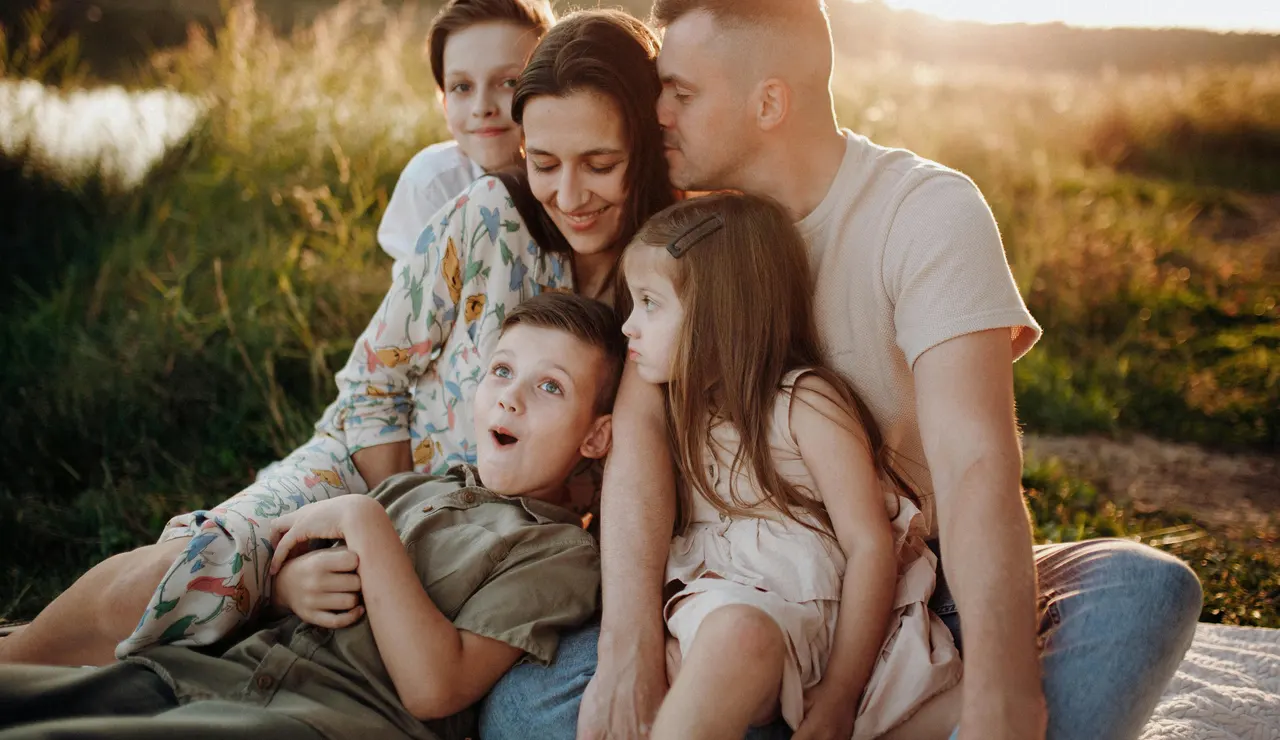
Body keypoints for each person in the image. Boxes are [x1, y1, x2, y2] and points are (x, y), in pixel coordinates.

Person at [483, 2, 1204, 739]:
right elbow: (639, 423)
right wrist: (628, 646)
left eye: (683, 93)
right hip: (734, 601)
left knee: (1145, 591)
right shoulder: (692, 229)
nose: (657, 112)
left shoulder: (924, 212)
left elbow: (976, 462)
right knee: (523, 708)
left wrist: (1002, 688)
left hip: (902, 590)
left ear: (769, 100)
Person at [0, 8, 673, 668]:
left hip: (501, 548)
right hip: (370, 479)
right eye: (546, 162)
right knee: (212, 565)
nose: (569, 193)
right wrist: (386, 527)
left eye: (600, 163)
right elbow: (372, 386)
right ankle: (19, 656)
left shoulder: (664, 277)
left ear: (644, 144)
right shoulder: (490, 218)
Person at [0, 292, 621, 740]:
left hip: (319, 719)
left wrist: (365, 525)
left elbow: (435, 689)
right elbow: (299, 575)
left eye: (550, 387)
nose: (510, 394)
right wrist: (286, 589)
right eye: (503, 371)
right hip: (205, 676)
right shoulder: (415, 489)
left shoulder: (557, 551)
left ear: (595, 438)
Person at [618, 193, 962, 740]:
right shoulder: (677, 410)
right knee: (725, 643)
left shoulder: (804, 402)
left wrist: (842, 693)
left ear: (721, 314)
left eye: (649, 304)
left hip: (824, 623)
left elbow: (869, 545)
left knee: (957, 707)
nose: (628, 327)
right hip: (725, 623)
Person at [377, 0, 554, 263]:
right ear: (444, 102)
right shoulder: (432, 183)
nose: (482, 108)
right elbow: (417, 295)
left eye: (509, 82)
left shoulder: (577, 178)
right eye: (462, 87)